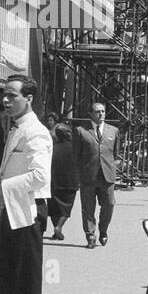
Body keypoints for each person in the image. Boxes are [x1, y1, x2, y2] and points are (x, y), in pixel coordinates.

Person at [0, 77, 52, 294]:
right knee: (2, 268)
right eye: (4, 95)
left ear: (28, 98)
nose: (6, 100)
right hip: (14, 206)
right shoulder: (17, 127)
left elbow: (40, 176)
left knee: (24, 273)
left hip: (28, 207)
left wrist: (6, 188)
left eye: (12, 95)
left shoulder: (35, 132)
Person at [76, 101, 119, 248]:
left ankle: (103, 230)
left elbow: (116, 153)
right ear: (90, 114)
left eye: (103, 111)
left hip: (107, 176)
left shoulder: (113, 131)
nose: (101, 114)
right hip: (88, 176)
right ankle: (90, 235)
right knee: (88, 207)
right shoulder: (81, 131)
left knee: (109, 204)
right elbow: (76, 155)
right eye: (97, 111)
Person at [47, 123, 80, 240]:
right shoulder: (75, 148)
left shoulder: (52, 147)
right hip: (70, 181)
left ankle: (56, 228)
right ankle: (59, 227)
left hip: (54, 182)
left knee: (54, 208)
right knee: (66, 208)